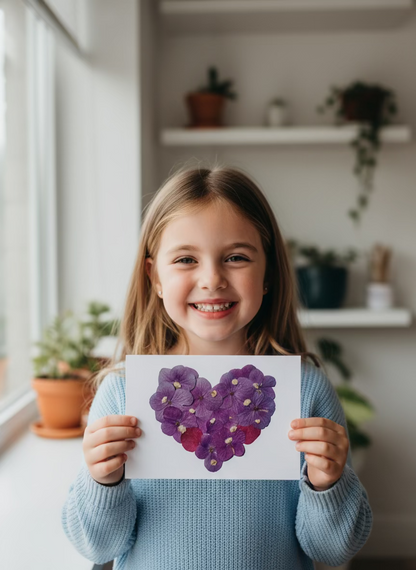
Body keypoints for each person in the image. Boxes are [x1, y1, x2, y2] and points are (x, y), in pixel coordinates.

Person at [62, 164, 372, 570]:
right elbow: (96, 548)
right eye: (187, 259)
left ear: (268, 275)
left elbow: (332, 550)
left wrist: (327, 484)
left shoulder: (306, 392)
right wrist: (103, 481)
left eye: (237, 257)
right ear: (155, 278)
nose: (211, 279)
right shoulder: (121, 394)